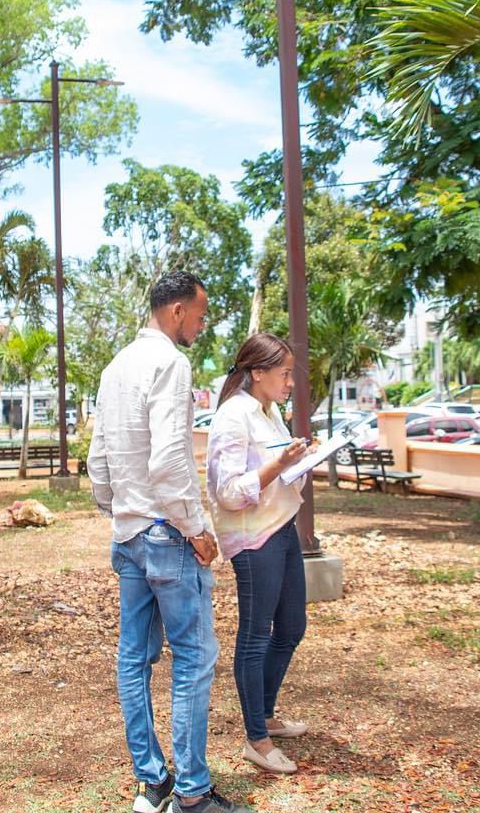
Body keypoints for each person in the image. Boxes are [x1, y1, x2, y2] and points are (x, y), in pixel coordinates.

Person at [89, 270, 250, 813]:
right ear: (177, 310)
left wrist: (119, 511)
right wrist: (195, 528)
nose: (201, 327)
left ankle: (152, 780)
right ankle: (193, 793)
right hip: (167, 534)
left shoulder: (114, 367)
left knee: (133, 659)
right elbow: (169, 460)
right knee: (193, 658)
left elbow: (98, 462)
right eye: (199, 316)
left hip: (129, 535)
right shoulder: (170, 363)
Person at [205, 333, 312, 775]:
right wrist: (279, 464)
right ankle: (256, 739)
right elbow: (228, 493)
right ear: (258, 372)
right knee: (255, 636)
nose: (290, 383)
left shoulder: (270, 413)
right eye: (284, 374)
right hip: (254, 539)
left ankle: (265, 715)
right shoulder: (233, 416)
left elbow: (282, 477)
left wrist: (301, 460)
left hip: (282, 527)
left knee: (291, 627)